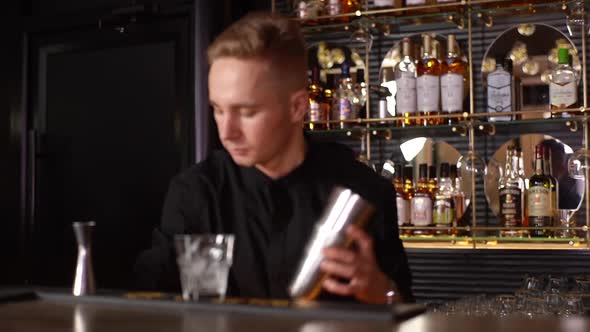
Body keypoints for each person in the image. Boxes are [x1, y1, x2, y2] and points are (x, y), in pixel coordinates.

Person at [135, 12, 413, 304]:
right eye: (218, 109)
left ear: (297, 107)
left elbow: (406, 308)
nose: (226, 132)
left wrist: (383, 291)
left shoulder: (363, 192)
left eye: (246, 112)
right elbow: (145, 300)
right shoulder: (196, 192)